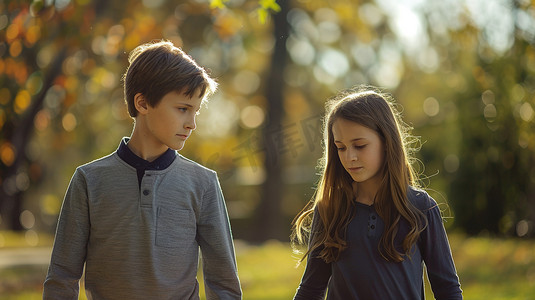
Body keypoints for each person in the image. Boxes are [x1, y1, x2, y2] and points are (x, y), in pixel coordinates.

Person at [43, 40, 242, 300]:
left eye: (196, 111)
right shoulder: (88, 180)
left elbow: (224, 284)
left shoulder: (203, 183)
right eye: (183, 109)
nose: (192, 124)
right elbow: (62, 276)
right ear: (143, 103)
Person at [291, 86, 462, 299]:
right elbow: (311, 289)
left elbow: (447, 289)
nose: (349, 157)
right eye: (341, 147)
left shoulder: (421, 207)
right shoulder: (329, 209)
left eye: (360, 145)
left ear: (386, 141)